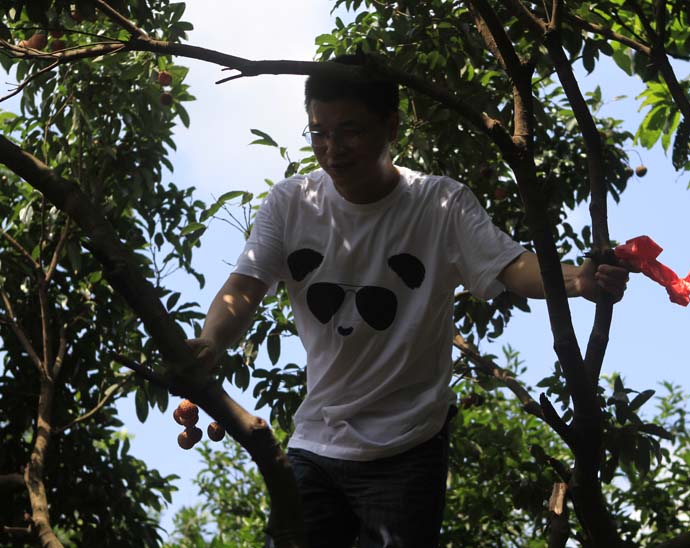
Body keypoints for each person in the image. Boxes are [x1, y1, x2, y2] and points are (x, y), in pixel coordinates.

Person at [188, 56, 629, 548]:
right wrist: (209, 344)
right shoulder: (292, 203)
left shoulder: (440, 204)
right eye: (319, 133)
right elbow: (244, 287)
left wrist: (578, 281)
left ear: (391, 126)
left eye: (349, 131)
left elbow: (512, 266)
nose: (332, 149)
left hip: (407, 449)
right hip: (316, 441)